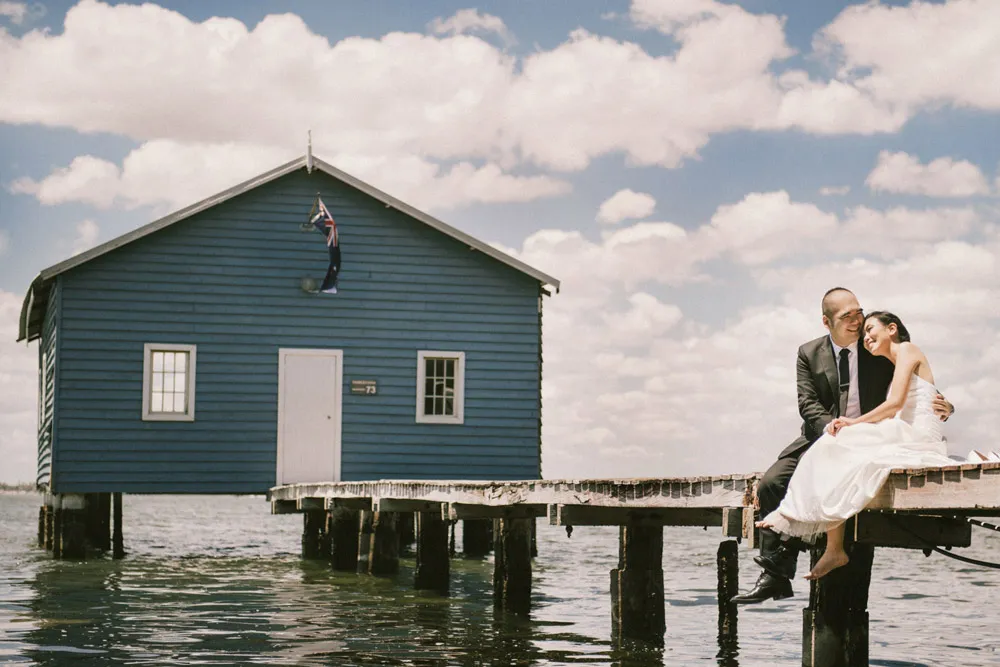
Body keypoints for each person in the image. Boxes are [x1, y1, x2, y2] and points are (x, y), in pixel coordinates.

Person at [731, 288, 953, 604]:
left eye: (858, 313)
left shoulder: (878, 350)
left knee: (838, 464)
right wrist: (829, 425)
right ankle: (775, 573)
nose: (856, 321)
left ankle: (821, 547)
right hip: (821, 435)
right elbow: (806, 403)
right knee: (771, 483)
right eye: (846, 316)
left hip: (870, 433)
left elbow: (921, 389)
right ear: (827, 321)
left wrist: (948, 407)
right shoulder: (809, 353)